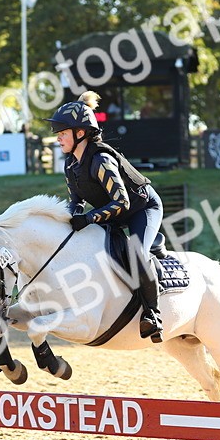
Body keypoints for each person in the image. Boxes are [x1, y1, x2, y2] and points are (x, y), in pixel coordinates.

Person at [48, 91, 165, 342]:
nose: (58, 138)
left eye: (62, 133)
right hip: (113, 213)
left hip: (141, 209)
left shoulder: (101, 160)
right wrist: (69, 220)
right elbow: (75, 202)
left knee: (136, 253)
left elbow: (122, 201)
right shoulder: (71, 165)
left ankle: (153, 315)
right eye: (58, 134)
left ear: (80, 134)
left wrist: (89, 219)